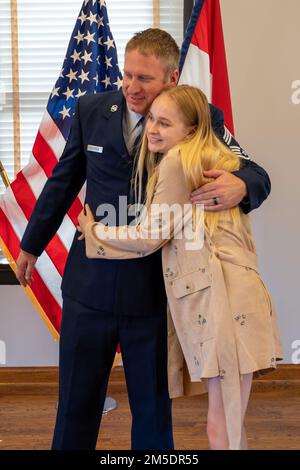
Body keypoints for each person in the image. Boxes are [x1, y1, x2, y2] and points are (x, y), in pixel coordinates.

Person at [16, 29, 271, 450]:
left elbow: (253, 171)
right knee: (76, 407)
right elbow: (62, 182)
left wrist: (242, 185)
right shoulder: (91, 109)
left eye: (145, 79)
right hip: (89, 287)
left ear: (172, 79)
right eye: (127, 75)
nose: (133, 87)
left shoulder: (198, 115)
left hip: (154, 292)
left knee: (153, 411)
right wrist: (30, 245)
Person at [78, 85, 283, 450]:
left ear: (189, 130)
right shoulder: (212, 153)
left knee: (222, 429)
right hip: (241, 299)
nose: (152, 129)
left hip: (223, 302)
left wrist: (94, 232)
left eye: (164, 123)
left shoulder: (177, 162)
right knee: (230, 425)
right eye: (152, 119)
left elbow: (148, 237)